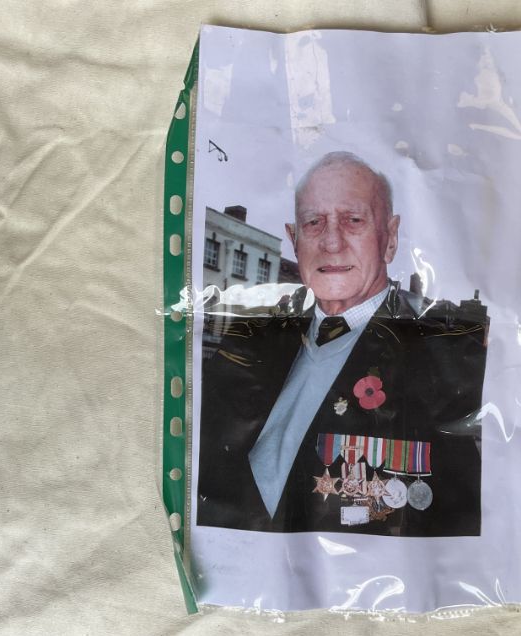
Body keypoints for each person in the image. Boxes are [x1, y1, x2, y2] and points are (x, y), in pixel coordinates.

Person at [197, 152, 489, 536]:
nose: (331, 243)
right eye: (313, 222)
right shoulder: (251, 341)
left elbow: (459, 523)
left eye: (353, 220)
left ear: (390, 239)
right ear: (294, 240)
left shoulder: (441, 362)